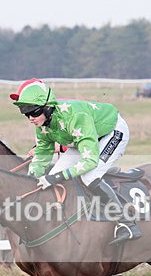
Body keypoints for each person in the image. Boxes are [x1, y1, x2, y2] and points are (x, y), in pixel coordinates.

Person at [10, 79, 142, 245]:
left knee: (89, 176)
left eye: (34, 112)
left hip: (111, 132)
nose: (30, 118)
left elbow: (89, 161)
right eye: (25, 113)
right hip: (80, 139)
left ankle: (127, 222)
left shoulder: (75, 117)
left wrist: (55, 178)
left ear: (48, 107)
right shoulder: (41, 125)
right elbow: (42, 155)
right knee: (53, 176)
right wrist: (30, 179)